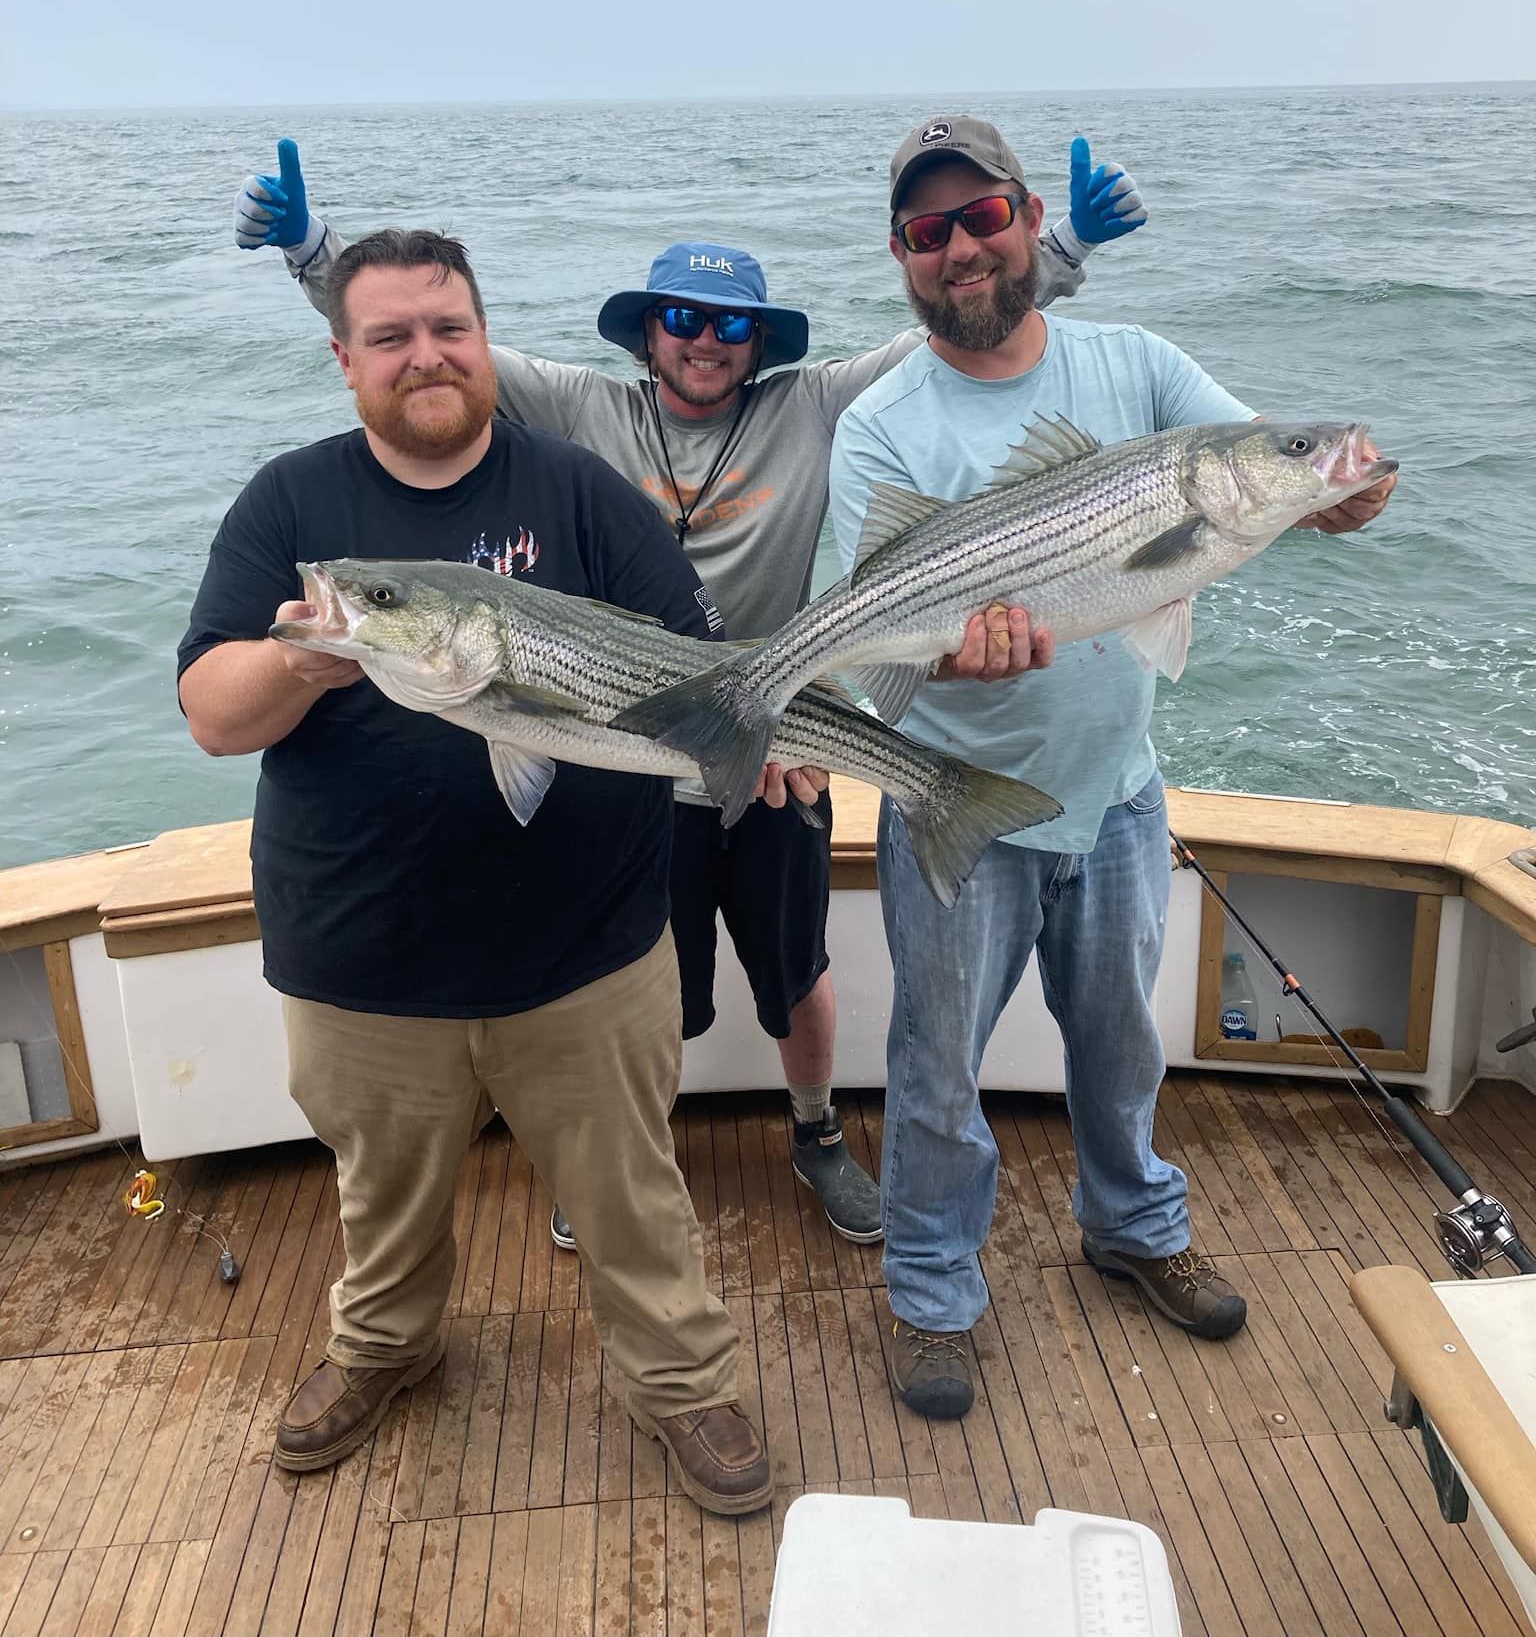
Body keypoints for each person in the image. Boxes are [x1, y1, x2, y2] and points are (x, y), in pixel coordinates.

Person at [230, 133, 1148, 1251]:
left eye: (731, 324)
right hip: (628, 747)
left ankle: (816, 1132)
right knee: (652, 983)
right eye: (684, 318)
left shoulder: (811, 404)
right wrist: (310, 250)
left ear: (761, 341)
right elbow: (430, 353)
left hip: (781, 736)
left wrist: (1067, 244)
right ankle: (623, 1160)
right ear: (646, 330)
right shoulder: (579, 409)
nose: (707, 340)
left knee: (795, 966)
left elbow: (957, 317)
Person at [178, 227, 789, 1514]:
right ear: (344, 356)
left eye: (449, 327)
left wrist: (768, 743)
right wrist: (302, 657)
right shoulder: (291, 505)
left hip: (587, 952)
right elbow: (212, 712)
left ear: (484, 335)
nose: (427, 356)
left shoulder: (582, 492)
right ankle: (383, 1348)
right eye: (391, 336)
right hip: (360, 953)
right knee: (381, 1199)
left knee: (633, 1194)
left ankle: (685, 1382)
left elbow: (701, 671)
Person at [828, 113, 1397, 1420]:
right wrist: (944, 659)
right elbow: (868, 654)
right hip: (954, 805)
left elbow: (1266, 463)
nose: (960, 248)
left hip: (1118, 792)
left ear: (1030, 220)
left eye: (982, 218)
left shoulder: (1136, 367)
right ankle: (930, 1287)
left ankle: (1134, 1226)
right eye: (929, 232)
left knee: (1121, 1042)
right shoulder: (883, 427)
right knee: (932, 1063)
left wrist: (1338, 483)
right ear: (903, 259)